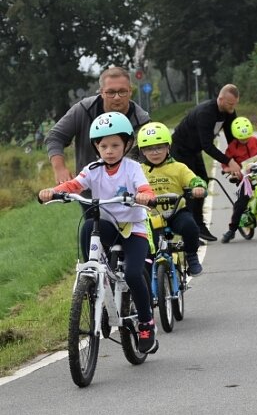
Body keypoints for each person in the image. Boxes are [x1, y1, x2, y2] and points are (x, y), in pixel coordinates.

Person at [39, 112, 158, 353]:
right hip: (108, 225)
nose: (110, 150)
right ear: (96, 147)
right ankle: (93, 279)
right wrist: (54, 191)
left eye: (115, 145)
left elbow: (145, 188)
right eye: (103, 146)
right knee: (87, 228)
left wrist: (146, 196)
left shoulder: (132, 168)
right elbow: (75, 185)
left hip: (133, 229)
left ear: (127, 145)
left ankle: (146, 322)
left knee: (134, 275)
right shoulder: (93, 169)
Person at [45, 66, 150, 185]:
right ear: (101, 92)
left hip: (128, 193)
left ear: (130, 91)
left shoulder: (142, 121)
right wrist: (60, 169)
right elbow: (55, 137)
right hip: (89, 192)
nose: (117, 97)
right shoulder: (84, 109)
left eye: (122, 91)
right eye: (111, 92)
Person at [170, 84, 241, 242]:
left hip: (194, 150)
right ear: (221, 99)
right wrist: (228, 161)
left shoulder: (229, 112)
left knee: (203, 181)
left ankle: (199, 225)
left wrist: (235, 161)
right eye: (230, 104)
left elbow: (232, 140)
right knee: (190, 187)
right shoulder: (206, 112)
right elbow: (207, 145)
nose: (232, 107)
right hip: (181, 148)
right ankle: (190, 231)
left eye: (235, 104)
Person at [137, 122, 206, 276]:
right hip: (151, 216)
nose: (155, 152)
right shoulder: (138, 170)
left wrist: (198, 187)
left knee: (190, 226)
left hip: (176, 213)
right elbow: (126, 185)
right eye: (149, 148)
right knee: (148, 245)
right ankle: (149, 273)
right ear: (142, 151)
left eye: (159, 147)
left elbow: (195, 180)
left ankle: (192, 257)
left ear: (168, 147)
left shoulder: (179, 168)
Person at [220, 116, 257, 243]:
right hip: (245, 180)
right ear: (236, 137)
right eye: (242, 139)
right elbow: (225, 163)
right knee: (240, 204)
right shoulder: (232, 147)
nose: (245, 140)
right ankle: (231, 230)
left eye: (247, 138)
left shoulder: (254, 140)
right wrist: (228, 170)